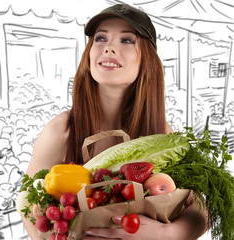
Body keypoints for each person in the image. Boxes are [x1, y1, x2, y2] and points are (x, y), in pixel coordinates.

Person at [22, 3, 208, 239]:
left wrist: (169, 233)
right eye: (100, 38)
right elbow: (27, 206)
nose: (108, 48)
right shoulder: (62, 130)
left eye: (127, 40)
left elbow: (202, 207)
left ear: (146, 60)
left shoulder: (160, 132)